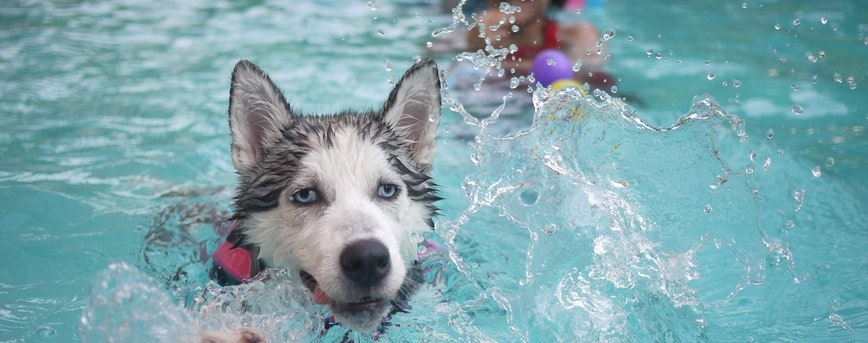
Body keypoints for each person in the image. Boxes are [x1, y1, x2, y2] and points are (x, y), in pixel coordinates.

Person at [464, 0, 613, 89]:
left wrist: (495, 66)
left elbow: (590, 71)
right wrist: (476, 45)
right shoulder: (473, 34)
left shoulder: (575, 34)